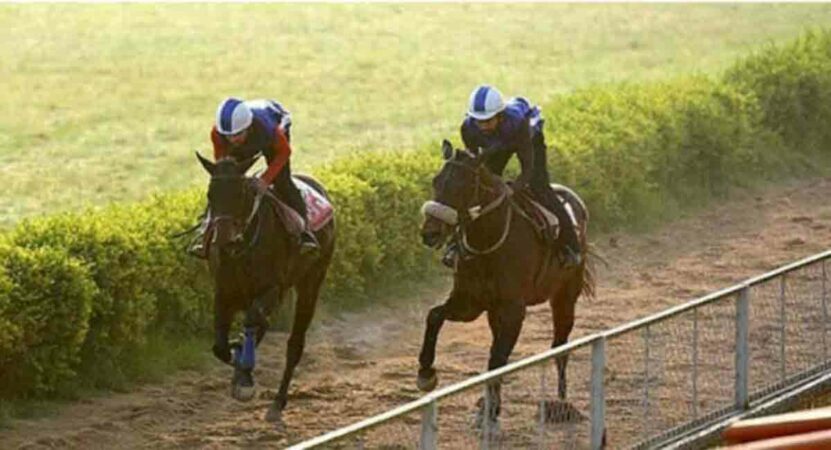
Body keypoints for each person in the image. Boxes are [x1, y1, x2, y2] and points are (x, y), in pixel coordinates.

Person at [451, 84, 581, 268]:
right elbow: (475, 166)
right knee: (480, 189)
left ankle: (571, 246)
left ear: (500, 115)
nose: (483, 126)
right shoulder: (468, 129)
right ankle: (456, 245)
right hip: (497, 144)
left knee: (539, 188)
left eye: (488, 120)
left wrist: (512, 189)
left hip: (528, 140)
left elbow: (527, 169)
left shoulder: (518, 123)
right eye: (479, 121)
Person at [190, 97, 318, 257]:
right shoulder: (217, 134)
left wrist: (265, 179)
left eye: (238, 135)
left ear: (248, 128)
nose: (233, 140)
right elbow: (223, 165)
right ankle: (205, 234)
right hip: (252, 136)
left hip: (275, 134)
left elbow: (284, 153)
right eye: (229, 136)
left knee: (282, 182)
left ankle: (305, 234)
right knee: (224, 187)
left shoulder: (269, 130)